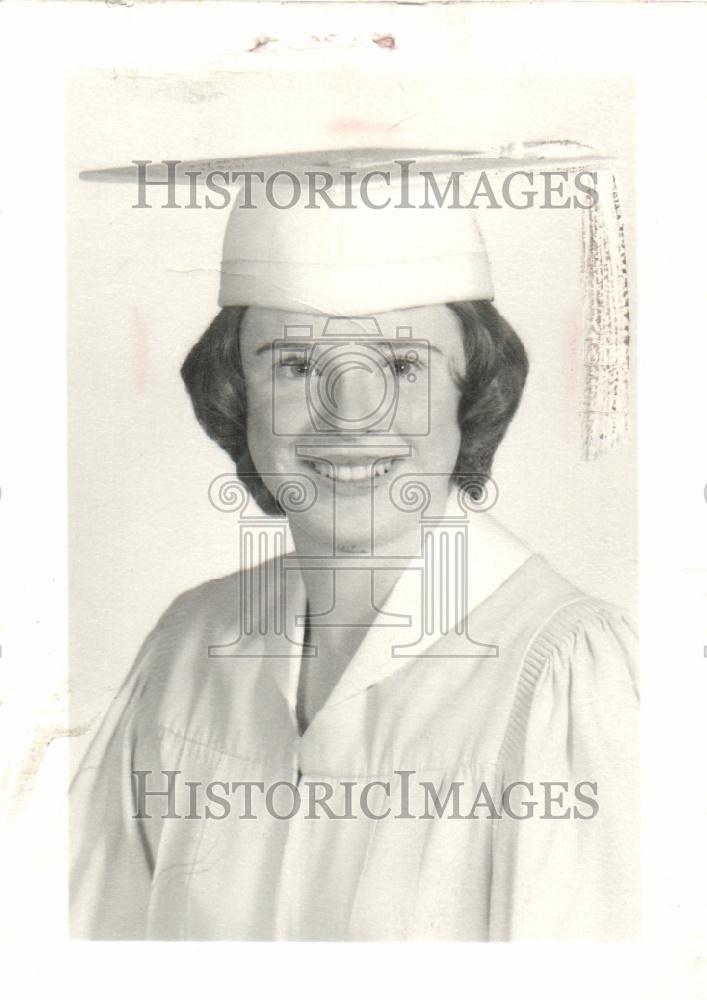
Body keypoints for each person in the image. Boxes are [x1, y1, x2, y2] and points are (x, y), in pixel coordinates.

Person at [70, 157, 639, 941]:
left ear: (470, 394)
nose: (349, 414)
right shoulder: (187, 646)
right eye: (295, 365)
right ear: (234, 394)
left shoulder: (564, 673)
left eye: (403, 365)